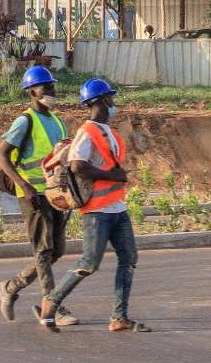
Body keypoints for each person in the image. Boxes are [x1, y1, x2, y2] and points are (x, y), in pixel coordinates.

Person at [38, 78, 149, 333]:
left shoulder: (107, 130)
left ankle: (119, 317)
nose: (114, 103)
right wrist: (113, 176)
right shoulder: (87, 132)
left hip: (117, 208)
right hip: (97, 211)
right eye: (110, 98)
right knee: (89, 263)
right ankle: (51, 302)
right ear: (101, 101)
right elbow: (77, 165)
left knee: (129, 259)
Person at [0, 65, 78, 327]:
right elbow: (1, 155)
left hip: (56, 194)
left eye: (52, 86)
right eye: (46, 87)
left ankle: (10, 287)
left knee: (56, 251)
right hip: (32, 194)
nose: (52, 91)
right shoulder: (24, 121)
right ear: (32, 91)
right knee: (43, 250)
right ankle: (51, 307)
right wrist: (25, 186)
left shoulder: (57, 121)